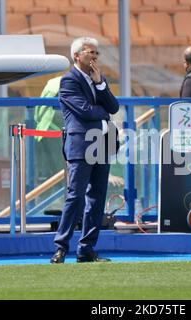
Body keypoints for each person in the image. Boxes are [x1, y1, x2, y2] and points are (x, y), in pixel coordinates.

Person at [50, 37, 119, 264]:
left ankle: (86, 249)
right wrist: (102, 111)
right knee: (75, 196)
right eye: (91, 53)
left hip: (102, 144)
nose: (95, 57)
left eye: (97, 53)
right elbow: (86, 111)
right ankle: (61, 247)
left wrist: (100, 84)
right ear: (77, 56)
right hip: (81, 145)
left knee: (97, 198)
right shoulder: (68, 81)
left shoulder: (99, 80)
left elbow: (113, 107)